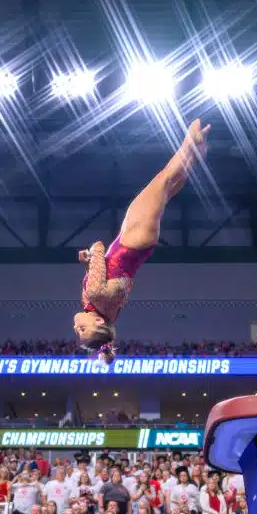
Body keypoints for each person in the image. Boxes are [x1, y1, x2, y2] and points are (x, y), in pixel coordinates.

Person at [73, 119, 211, 363]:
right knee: (162, 181)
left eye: (78, 334)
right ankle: (190, 143)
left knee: (167, 189)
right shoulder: (95, 296)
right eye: (84, 331)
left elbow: (107, 276)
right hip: (130, 242)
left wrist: (89, 263)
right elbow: (99, 246)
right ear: (97, 323)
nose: (77, 329)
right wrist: (91, 254)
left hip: (137, 245)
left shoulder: (105, 312)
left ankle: (195, 154)